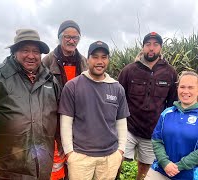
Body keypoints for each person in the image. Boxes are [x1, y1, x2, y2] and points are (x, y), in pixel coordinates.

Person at [0, 29, 61, 179]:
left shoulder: (50, 79)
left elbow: (58, 116)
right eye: (25, 50)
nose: (31, 56)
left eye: (35, 51)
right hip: (9, 166)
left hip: (42, 165)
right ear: (14, 51)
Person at [59, 41, 130, 180]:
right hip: (80, 156)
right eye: (95, 57)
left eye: (104, 57)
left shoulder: (117, 88)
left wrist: (120, 150)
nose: (99, 61)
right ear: (87, 59)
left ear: (108, 60)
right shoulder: (72, 86)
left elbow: (121, 122)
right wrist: (70, 153)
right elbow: (66, 123)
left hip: (110, 157)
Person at [117, 32, 178, 179]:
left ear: (161, 48)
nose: (151, 48)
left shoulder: (170, 73)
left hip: (152, 131)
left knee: (145, 168)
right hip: (128, 128)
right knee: (117, 161)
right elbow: (118, 97)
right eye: (148, 44)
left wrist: (165, 130)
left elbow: (171, 104)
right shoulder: (129, 70)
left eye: (155, 45)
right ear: (143, 47)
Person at [42, 20, 87, 180]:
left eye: (75, 37)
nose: (71, 40)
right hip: (54, 123)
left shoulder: (84, 62)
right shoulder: (47, 61)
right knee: (56, 165)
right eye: (67, 36)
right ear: (60, 37)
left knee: (75, 162)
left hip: (78, 124)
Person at [145, 71, 198, 180]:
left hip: (189, 175)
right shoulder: (167, 113)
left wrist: (180, 166)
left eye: (191, 87)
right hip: (160, 170)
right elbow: (156, 140)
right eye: (182, 87)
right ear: (177, 88)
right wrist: (165, 163)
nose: (185, 91)